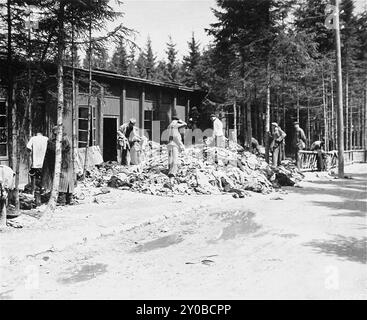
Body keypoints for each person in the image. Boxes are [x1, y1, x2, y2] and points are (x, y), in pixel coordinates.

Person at [42, 126, 74, 205]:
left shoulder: (64, 140)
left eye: (56, 133)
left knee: (62, 180)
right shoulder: (61, 140)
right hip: (62, 163)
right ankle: (68, 199)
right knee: (65, 180)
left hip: (64, 163)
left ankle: (62, 199)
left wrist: (50, 143)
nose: (55, 135)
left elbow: (57, 149)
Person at [27, 132, 49, 206]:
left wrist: (30, 158)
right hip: (44, 163)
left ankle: (37, 199)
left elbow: (28, 147)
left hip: (36, 162)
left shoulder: (33, 138)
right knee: (44, 179)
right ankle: (43, 195)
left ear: (37, 134)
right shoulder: (46, 139)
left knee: (36, 180)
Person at [167, 115, 187, 183]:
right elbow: (185, 124)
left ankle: (169, 172)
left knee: (170, 159)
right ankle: (172, 174)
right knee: (175, 159)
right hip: (175, 144)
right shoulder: (175, 125)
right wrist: (181, 145)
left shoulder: (169, 126)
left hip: (169, 144)